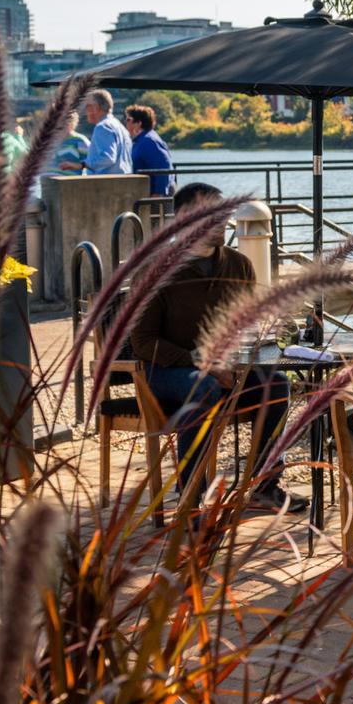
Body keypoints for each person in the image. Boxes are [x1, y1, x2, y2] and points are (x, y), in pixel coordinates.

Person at [129, 182, 302, 513]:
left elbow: (250, 326)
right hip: (168, 372)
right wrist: (202, 362)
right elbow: (142, 341)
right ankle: (193, 500)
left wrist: (283, 331)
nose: (224, 221)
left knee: (277, 385)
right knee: (204, 386)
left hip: (227, 369)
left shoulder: (238, 265)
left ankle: (264, 486)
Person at [59, 87, 131, 174]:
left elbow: (107, 159)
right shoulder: (120, 127)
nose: (86, 111)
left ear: (96, 108)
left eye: (87, 106)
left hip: (109, 184)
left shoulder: (103, 127)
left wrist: (81, 165)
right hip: (124, 183)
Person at [125, 104, 176, 197]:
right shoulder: (140, 140)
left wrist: (158, 193)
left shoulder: (149, 140)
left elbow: (164, 166)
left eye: (129, 120)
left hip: (156, 196)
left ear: (138, 123)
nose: (126, 123)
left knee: (158, 212)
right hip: (146, 192)